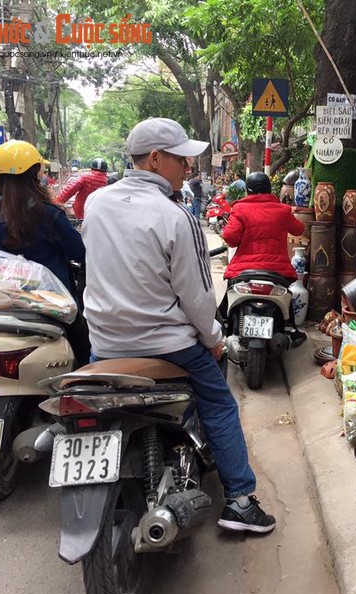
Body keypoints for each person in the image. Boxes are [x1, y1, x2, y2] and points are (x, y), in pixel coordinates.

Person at [82, 117, 276, 534]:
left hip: (105, 346)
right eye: (182, 160)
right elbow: (198, 297)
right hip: (166, 345)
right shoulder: (175, 215)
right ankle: (241, 501)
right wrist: (214, 340)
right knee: (221, 402)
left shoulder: (96, 204)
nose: (188, 169)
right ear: (155, 159)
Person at [0, 140, 90, 366]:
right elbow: (79, 252)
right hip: (49, 303)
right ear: (33, 173)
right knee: (83, 346)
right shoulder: (48, 214)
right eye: (40, 169)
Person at [222, 171, 305, 281]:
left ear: (248, 190)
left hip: (243, 271)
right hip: (279, 272)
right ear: (269, 189)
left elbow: (230, 237)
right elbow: (299, 229)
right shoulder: (283, 210)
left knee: (230, 295)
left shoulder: (239, 208)